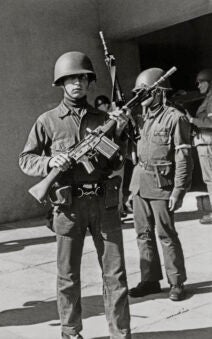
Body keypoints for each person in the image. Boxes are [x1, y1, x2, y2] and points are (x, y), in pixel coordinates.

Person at [19, 51, 131, 339]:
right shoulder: (48, 121)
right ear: (61, 83)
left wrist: (118, 132)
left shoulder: (104, 118)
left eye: (82, 78)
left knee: (115, 274)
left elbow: (117, 163)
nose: (77, 83)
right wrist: (49, 162)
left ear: (89, 82)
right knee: (68, 276)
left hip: (103, 204)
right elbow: (26, 159)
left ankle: (120, 333)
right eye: (71, 79)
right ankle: (70, 331)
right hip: (69, 207)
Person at [128, 68, 193, 301]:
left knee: (166, 234)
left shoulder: (176, 118)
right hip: (140, 185)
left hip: (162, 185)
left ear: (158, 92)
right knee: (142, 234)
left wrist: (179, 190)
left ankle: (176, 282)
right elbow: (138, 156)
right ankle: (150, 280)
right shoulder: (142, 118)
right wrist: (132, 190)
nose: (140, 98)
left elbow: (183, 158)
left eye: (144, 93)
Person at [188, 69, 212, 224]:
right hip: (205, 142)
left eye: (200, 83)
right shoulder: (208, 98)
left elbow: (210, 122)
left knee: (210, 179)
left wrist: (192, 120)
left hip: (207, 143)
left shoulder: (211, 99)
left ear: (207, 82)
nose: (198, 86)